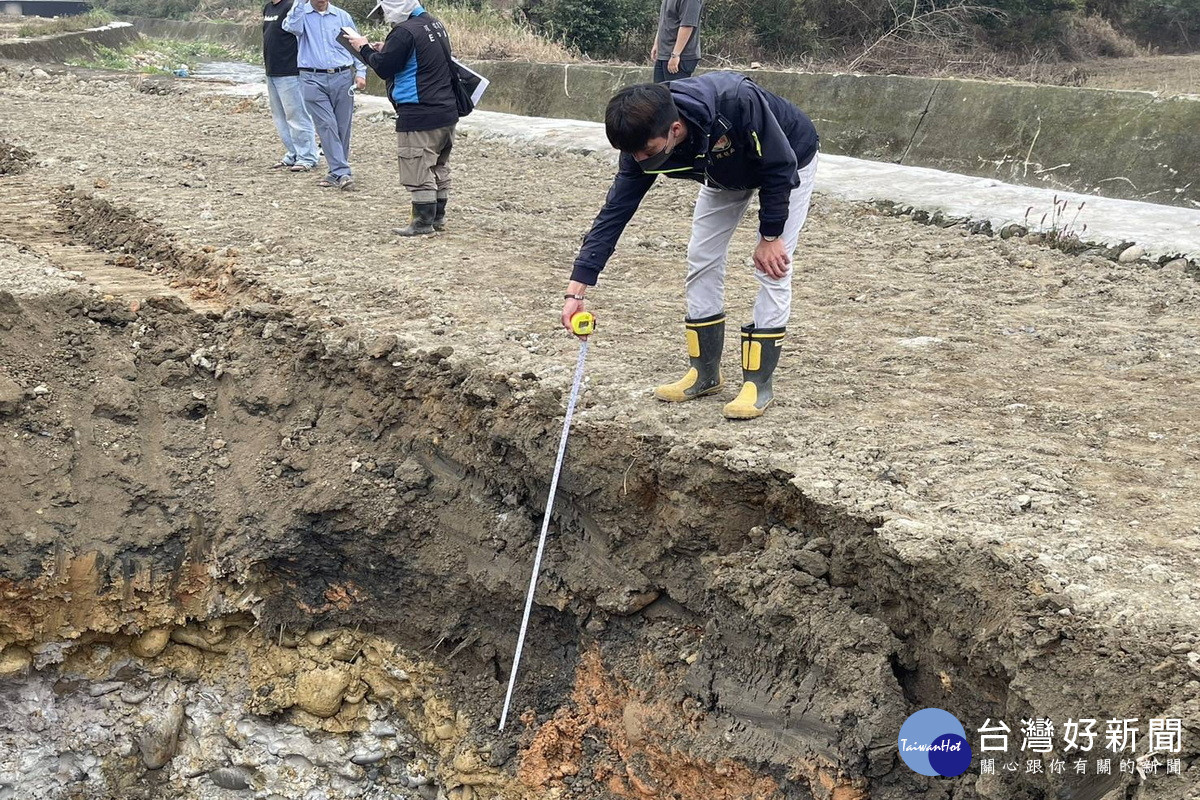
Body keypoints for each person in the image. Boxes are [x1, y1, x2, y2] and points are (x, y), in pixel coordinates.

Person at [559, 74, 819, 420]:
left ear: (676, 130)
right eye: (631, 154)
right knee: (701, 255)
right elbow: (615, 212)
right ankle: (705, 372)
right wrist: (578, 287)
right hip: (722, 171)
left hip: (787, 160)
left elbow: (779, 165)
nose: (640, 159)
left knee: (772, 265)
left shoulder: (737, 102)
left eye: (648, 151)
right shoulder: (640, 139)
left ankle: (758, 383)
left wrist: (770, 237)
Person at [348, 0, 459, 235]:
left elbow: (385, 68)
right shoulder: (433, 24)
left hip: (419, 110)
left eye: (386, 10)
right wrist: (384, 49)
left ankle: (421, 223)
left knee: (417, 166)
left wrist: (364, 48)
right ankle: (438, 218)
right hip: (446, 110)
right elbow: (408, 57)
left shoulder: (404, 31)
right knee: (438, 166)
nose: (387, 17)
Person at [283, 0, 369, 190]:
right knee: (326, 124)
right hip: (311, 77)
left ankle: (335, 172)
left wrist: (361, 72)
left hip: (342, 76)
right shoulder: (300, 14)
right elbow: (290, 27)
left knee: (342, 127)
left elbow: (356, 45)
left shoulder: (342, 16)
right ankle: (342, 172)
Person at [263, 0, 319, 173]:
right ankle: (293, 153)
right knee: (280, 117)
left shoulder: (291, 6)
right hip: (272, 70)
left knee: (297, 116)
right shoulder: (268, 7)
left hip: (291, 71)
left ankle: (307, 156)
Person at [651, 0, 703, 83]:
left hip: (680, 57)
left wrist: (675, 55)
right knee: (659, 93)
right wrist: (656, 43)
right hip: (664, 54)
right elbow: (665, 19)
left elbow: (687, 26)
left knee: (675, 94)